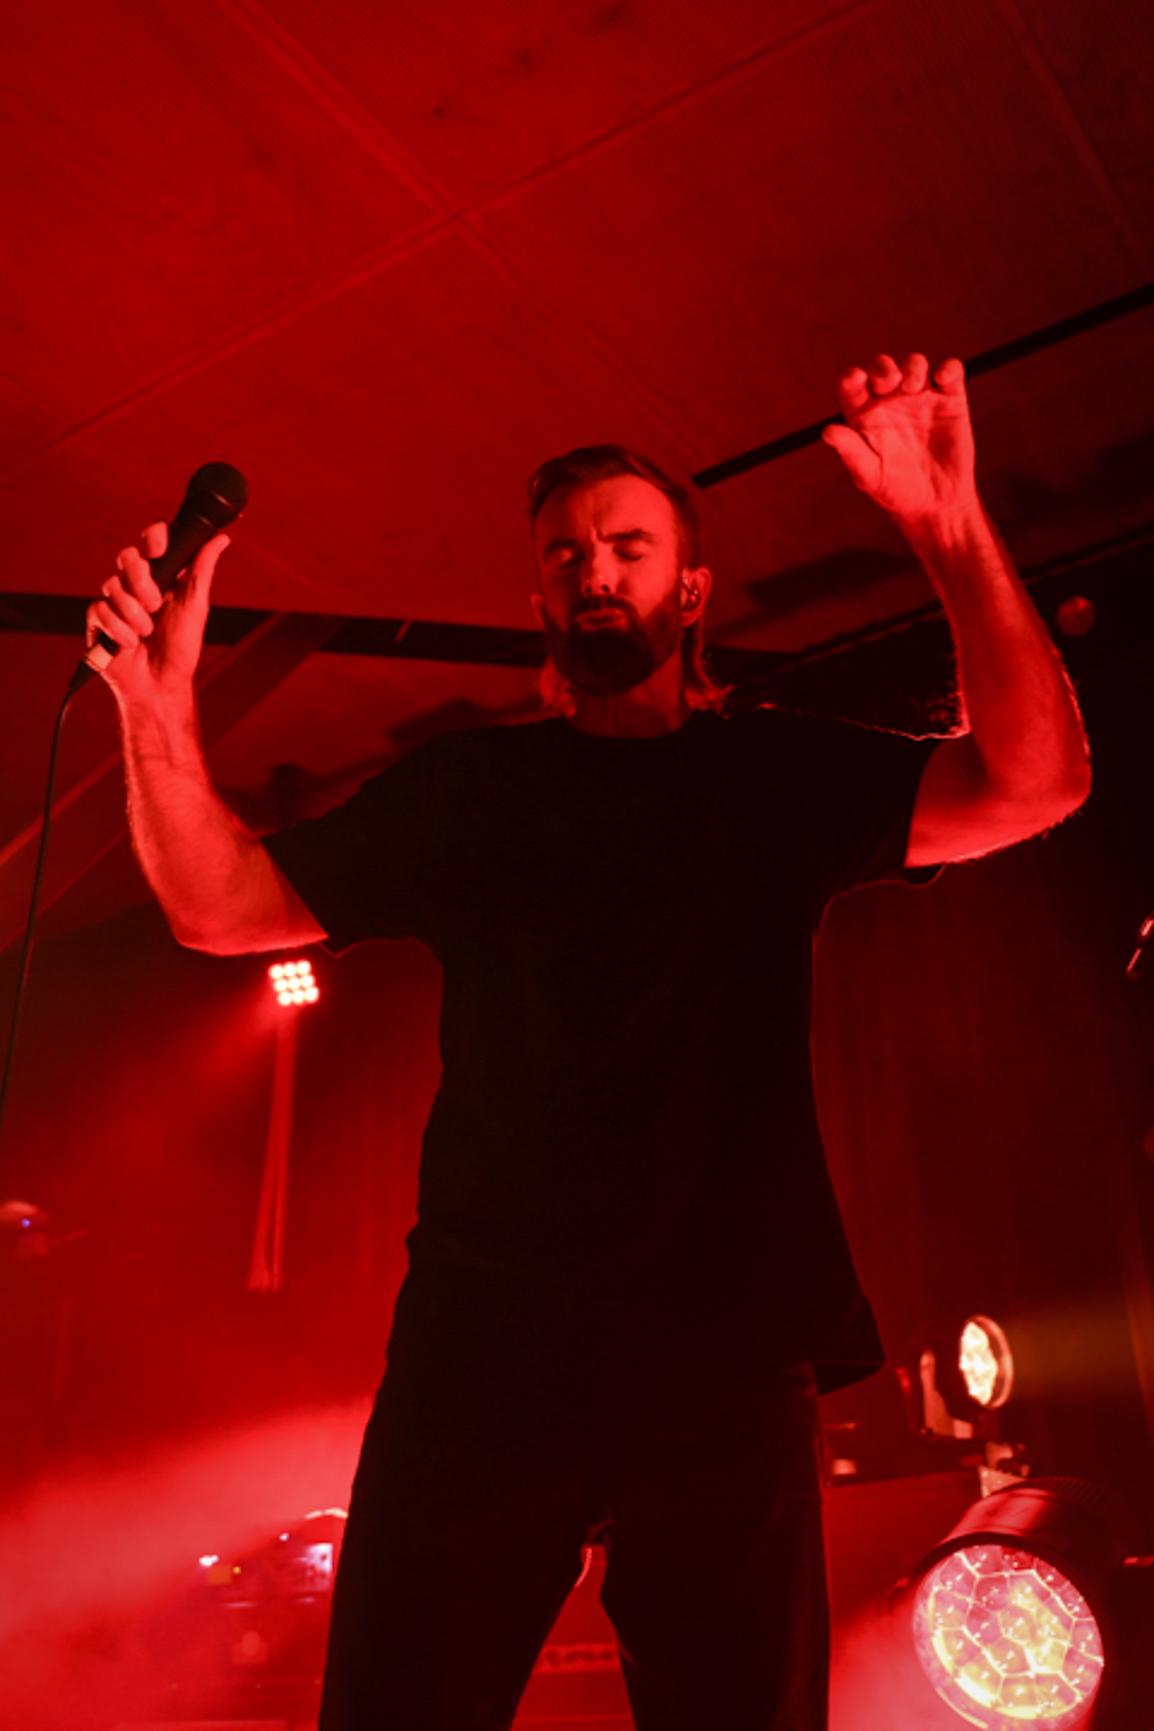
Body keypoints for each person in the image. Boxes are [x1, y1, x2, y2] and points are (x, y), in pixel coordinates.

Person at [88, 353, 1089, 1730]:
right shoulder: (473, 790)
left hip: (725, 1348)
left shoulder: (768, 774)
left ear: (692, 590)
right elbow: (220, 908)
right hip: (485, 1347)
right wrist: (154, 713)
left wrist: (947, 525)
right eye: (565, 555)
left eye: (627, 547)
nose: (593, 571)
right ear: (539, 602)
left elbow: (1035, 783)